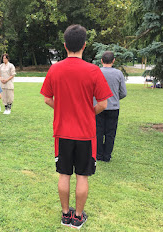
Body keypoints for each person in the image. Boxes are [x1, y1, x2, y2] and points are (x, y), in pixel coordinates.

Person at [40, 25, 113, 229]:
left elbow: (47, 99)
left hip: (62, 132)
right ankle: (78, 217)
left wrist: (62, 109)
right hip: (85, 133)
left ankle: (65, 215)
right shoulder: (93, 70)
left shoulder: (55, 69)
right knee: (82, 175)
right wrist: (88, 113)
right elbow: (103, 104)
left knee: (64, 174)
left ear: (65, 46)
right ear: (84, 45)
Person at [95, 51, 127, 162]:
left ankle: (98, 155)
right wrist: (114, 99)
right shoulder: (118, 74)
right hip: (113, 107)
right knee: (110, 133)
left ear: (101, 61)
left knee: (98, 131)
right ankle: (107, 156)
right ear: (113, 61)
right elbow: (123, 92)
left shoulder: (96, 72)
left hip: (98, 106)